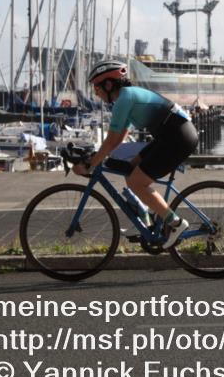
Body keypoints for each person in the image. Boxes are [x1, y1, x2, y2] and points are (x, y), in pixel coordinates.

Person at [73, 60, 198, 248]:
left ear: (108, 84)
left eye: (96, 87)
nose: (95, 92)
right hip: (169, 135)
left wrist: (92, 164)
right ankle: (145, 220)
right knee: (129, 168)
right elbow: (120, 135)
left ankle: (176, 224)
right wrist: (99, 158)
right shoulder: (126, 97)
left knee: (136, 181)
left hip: (177, 137)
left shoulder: (124, 98)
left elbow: (113, 140)